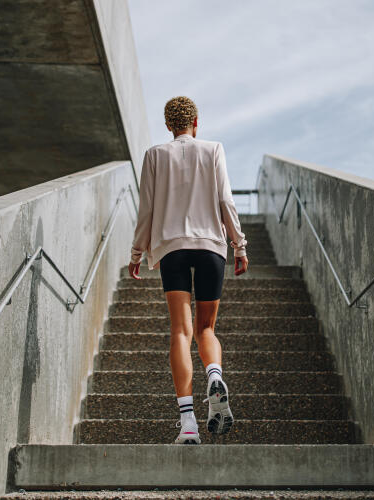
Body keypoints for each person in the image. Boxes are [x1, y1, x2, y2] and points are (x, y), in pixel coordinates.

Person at [128, 96, 249, 445]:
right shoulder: (213, 150)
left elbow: (146, 210)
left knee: (180, 332)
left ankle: (189, 425)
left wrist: (137, 253)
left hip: (172, 249)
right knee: (206, 328)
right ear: (196, 122)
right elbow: (226, 200)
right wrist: (239, 245)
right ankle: (214, 375)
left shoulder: (154, 155)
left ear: (168, 125)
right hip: (211, 246)